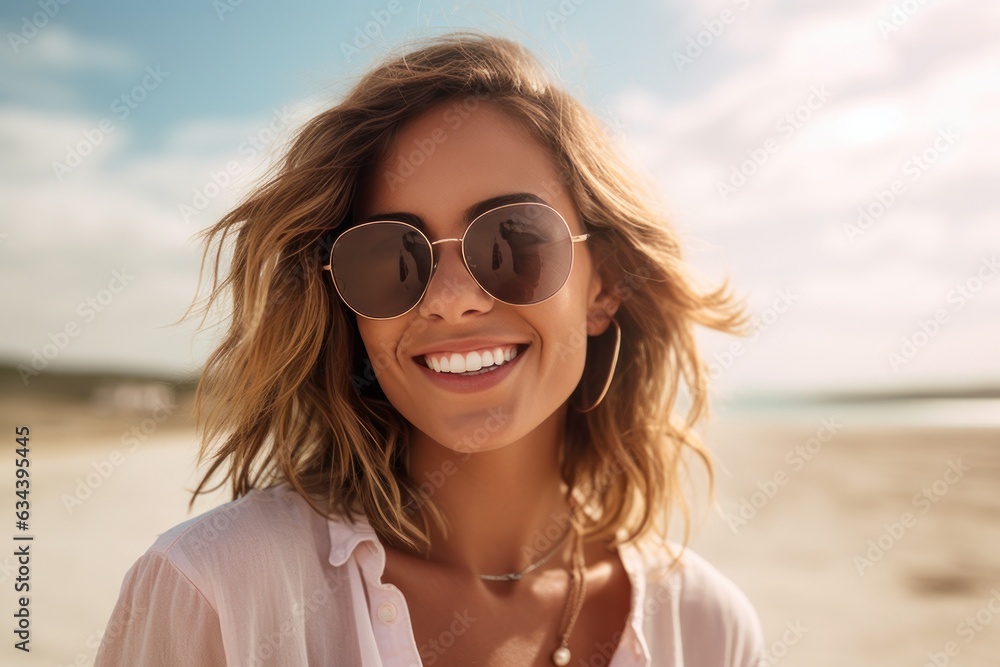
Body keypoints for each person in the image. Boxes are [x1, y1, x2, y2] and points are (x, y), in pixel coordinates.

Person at [95, 32, 764, 666]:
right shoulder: (214, 592)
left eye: (514, 240)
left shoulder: (707, 625)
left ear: (606, 284)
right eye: (389, 256)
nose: (450, 297)